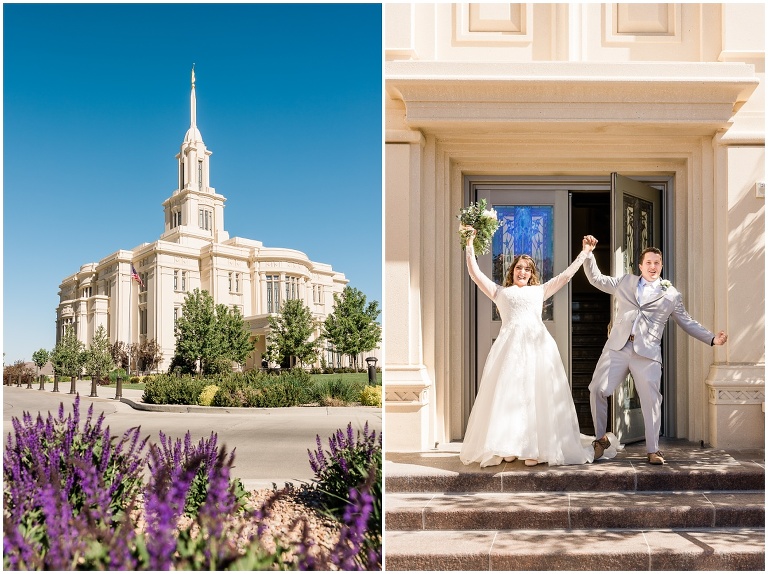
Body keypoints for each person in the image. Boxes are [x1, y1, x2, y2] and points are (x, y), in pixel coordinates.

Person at [460, 227, 617, 467]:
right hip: (509, 350)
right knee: (509, 395)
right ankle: (508, 445)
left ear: (532, 273)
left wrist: (585, 253)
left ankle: (534, 448)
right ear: (512, 271)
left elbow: (565, 276)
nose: (522, 272)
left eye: (527, 269)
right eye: (518, 268)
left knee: (536, 395)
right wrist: (469, 244)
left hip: (537, 348)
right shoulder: (499, 292)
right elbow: (475, 273)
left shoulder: (539, 291)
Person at [581, 235, 728, 465]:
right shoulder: (625, 282)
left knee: (651, 400)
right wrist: (588, 254)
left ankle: (653, 450)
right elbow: (596, 279)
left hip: (647, 354)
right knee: (596, 389)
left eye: (657, 262)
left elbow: (686, 321)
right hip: (617, 348)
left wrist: (712, 339)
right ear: (640, 266)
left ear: (661, 266)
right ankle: (600, 440)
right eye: (648, 262)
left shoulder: (671, 294)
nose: (652, 266)